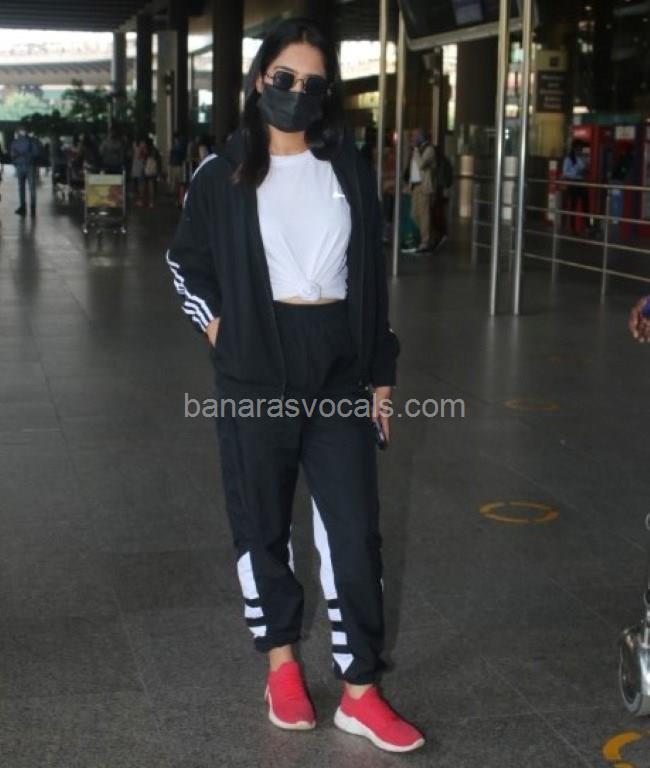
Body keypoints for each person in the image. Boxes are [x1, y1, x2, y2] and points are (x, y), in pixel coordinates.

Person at [165, 16, 424, 754]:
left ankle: (360, 690)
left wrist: (381, 373)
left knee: (354, 529)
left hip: (338, 364)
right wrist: (220, 330)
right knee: (262, 521)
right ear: (259, 81)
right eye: (285, 78)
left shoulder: (348, 170)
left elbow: (369, 280)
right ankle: (281, 665)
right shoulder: (222, 174)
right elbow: (185, 264)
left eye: (313, 84)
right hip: (256, 367)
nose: (297, 93)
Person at [403, 128, 436, 252]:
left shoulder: (429, 150)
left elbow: (421, 164)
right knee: (414, 214)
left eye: (416, 136)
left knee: (424, 215)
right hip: (415, 187)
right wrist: (409, 185)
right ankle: (429, 235)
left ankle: (425, 241)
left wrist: (416, 151)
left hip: (424, 187)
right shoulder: (416, 151)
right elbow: (413, 169)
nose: (413, 138)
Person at [9, 122, 38, 216]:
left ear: (18, 132)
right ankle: (33, 208)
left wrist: (17, 159)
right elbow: (36, 153)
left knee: (21, 187)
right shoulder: (32, 141)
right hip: (30, 166)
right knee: (32, 188)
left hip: (20, 166)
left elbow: (12, 155)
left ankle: (22, 207)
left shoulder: (15, 142)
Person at [562, 139, 589, 233]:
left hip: (582, 182)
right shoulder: (569, 159)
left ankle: (587, 225)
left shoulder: (582, 157)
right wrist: (576, 171)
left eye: (581, 148)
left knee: (586, 205)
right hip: (573, 183)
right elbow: (565, 173)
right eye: (579, 148)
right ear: (574, 148)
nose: (580, 150)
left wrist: (585, 170)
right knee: (573, 205)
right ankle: (572, 227)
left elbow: (586, 168)